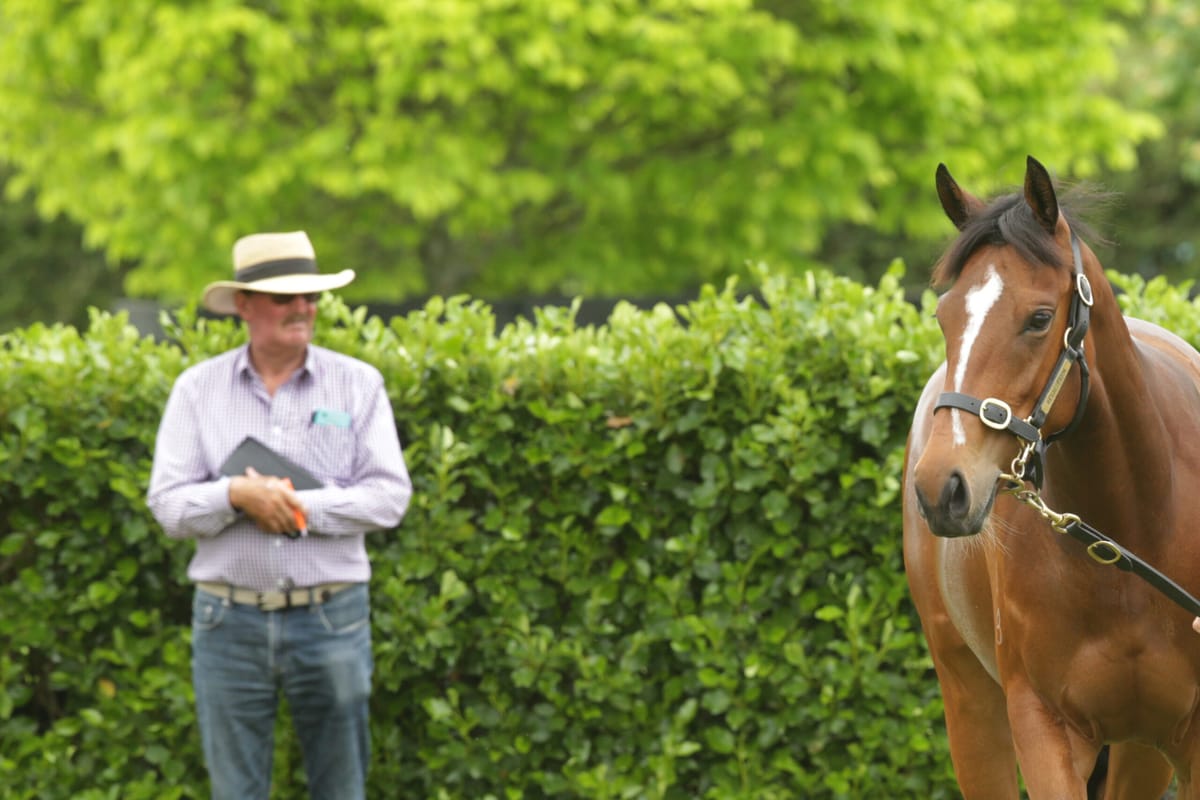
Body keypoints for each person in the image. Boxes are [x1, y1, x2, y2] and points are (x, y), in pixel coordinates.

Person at [147, 230, 412, 800]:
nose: (302, 308)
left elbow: (390, 497)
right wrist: (234, 497)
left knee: (340, 789)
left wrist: (291, 504)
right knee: (235, 792)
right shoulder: (196, 390)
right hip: (227, 622)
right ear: (243, 305)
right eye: (284, 297)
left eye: (311, 296)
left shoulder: (358, 385)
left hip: (332, 617)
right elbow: (167, 505)